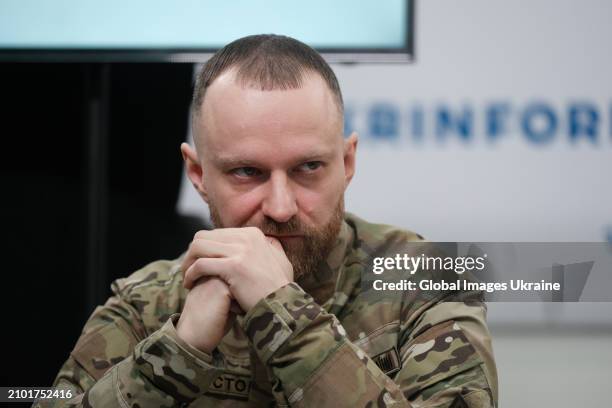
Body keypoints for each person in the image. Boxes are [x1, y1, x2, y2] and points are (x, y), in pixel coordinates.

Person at [37, 34, 498, 407]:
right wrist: (180, 347)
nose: (280, 207)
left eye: (308, 168)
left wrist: (280, 311)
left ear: (347, 161)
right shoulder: (148, 304)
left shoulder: (427, 280)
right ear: (198, 174)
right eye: (247, 172)